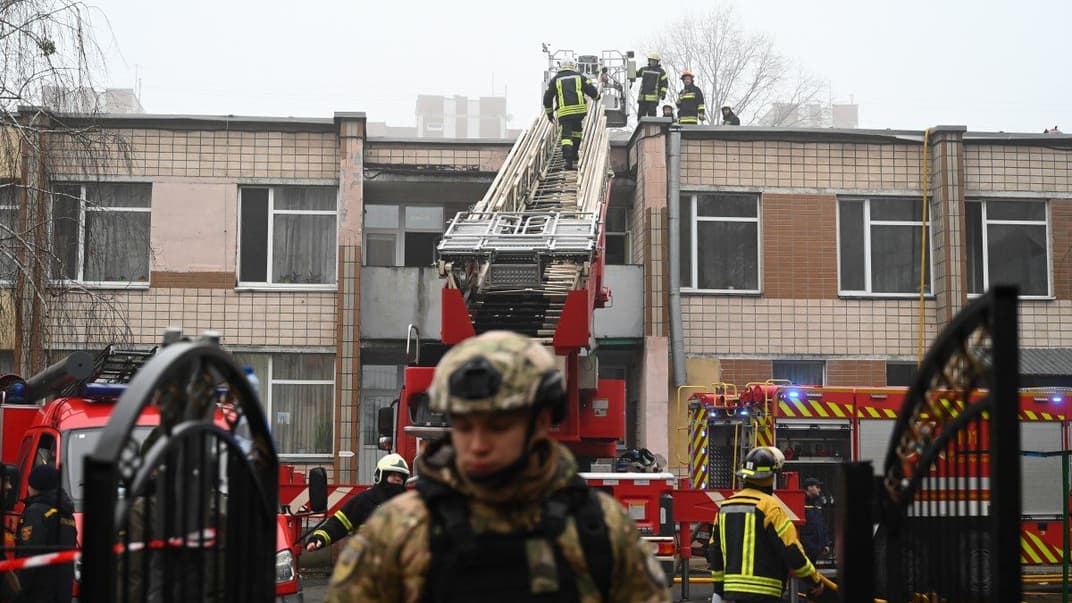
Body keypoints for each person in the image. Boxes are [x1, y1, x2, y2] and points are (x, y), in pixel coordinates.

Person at [325, 330, 671, 603]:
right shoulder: (398, 530)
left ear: (540, 423)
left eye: (498, 426)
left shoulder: (601, 533)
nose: (477, 444)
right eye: (464, 424)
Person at [708, 447, 823, 602]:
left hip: (733, 593)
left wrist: (719, 589)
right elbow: (791, 550)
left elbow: (715, 550)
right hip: (766, 593)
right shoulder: (770, 508)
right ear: (771, 476)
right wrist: (814, 580)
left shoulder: (725, 507)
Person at [306, 453, 410, 551]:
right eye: (393, 475)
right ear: (380, 476)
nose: (397, 479)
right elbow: (338, 524)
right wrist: (319, 538)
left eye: (401, 476)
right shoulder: (365, 500)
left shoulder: (411, 505)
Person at [16, 464, 76, 603]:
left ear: (36, 486)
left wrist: (18, 591)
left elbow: (29, 556)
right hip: (62, 593)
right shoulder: (67, 514)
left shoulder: (36, 512)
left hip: (38, 594)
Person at [543, 61, 600, 170]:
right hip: (579, 112)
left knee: (566, 137)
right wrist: (596, 97)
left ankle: (568, 161)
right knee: (577, 133)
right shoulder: (579, 77)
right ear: (573, 66)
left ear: (562, 66)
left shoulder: (555, 79)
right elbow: (591, 90)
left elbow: (547, 98)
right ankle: (574, 155)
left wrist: (549, 114)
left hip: (564, 113)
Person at [800, 477, 831, 564]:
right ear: (809, 488)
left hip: (815, 549)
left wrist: (826, 543)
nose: (819, 489)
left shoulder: (817, 504)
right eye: (817, 487)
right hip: (805, 549)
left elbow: (822, 525)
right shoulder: (800, 503)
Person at [637, 53, 668, 118]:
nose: (653, 62)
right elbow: (635, 74)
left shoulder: (661, 72)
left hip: (653, 99)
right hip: (643, 97)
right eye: (652, 60)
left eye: (655, 61)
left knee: (652, 115)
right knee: (641, 115)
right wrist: (629, 70)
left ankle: (652, 127)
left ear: (657, 62)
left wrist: (663, 93)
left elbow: (664, 83)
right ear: (649, 61)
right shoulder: (644, 69)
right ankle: (641, 127)